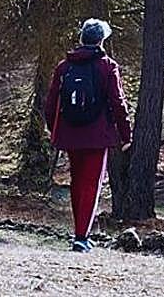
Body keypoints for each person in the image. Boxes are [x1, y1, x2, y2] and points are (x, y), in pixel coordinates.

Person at [44, 18, 132, 252]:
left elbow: (51, 102)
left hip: (71, 133)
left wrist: (53, 128)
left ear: (82, 37)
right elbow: (118, 102)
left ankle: (79, 232)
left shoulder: (64, 66)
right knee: (91, 184)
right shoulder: (107, 66)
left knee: (77, 181)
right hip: (97, 134)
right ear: (102, 40)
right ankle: (81, 237)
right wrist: (126, 135)